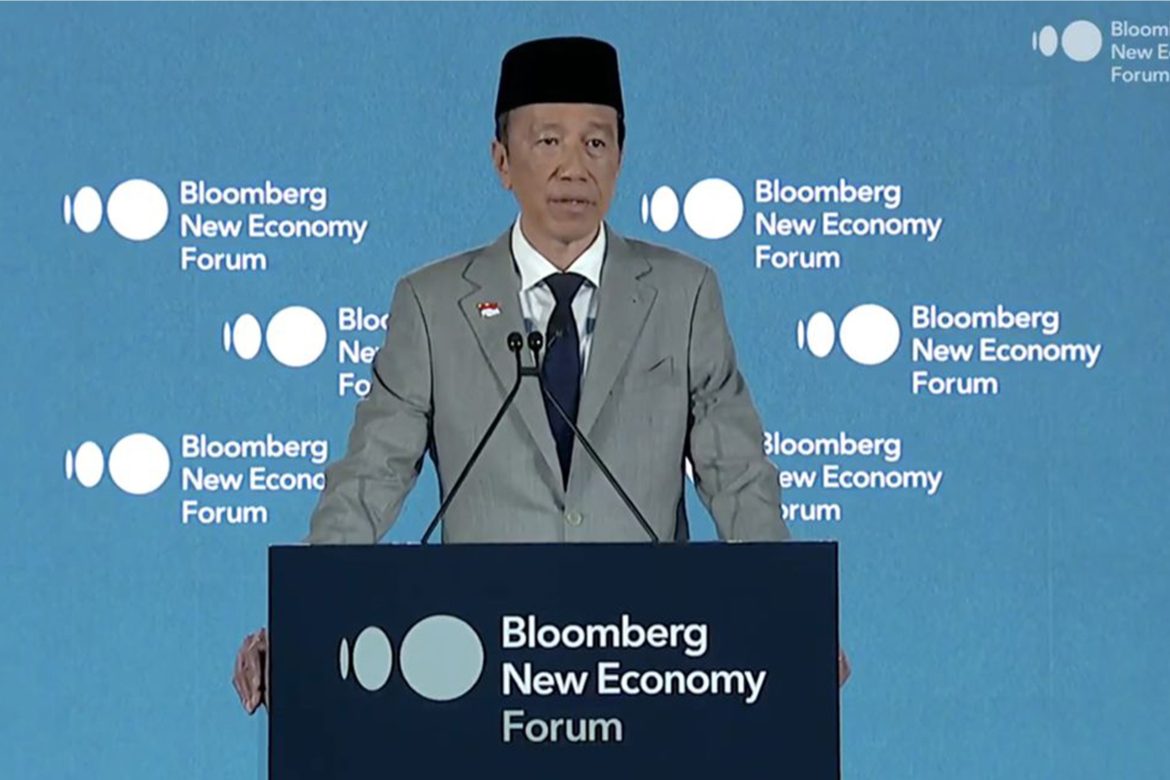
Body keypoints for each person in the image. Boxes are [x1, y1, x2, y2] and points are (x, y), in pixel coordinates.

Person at [233, 35, 849, 714]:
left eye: (596, 143)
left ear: (620, 157)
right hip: (485, 670)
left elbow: (737, 476)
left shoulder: (685, 294)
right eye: (548, 141)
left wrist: (793, 612)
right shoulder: (432, 305)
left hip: (645, 665)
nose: (573, 168)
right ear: (502, 160)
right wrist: (306, 617)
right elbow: (368, 479)